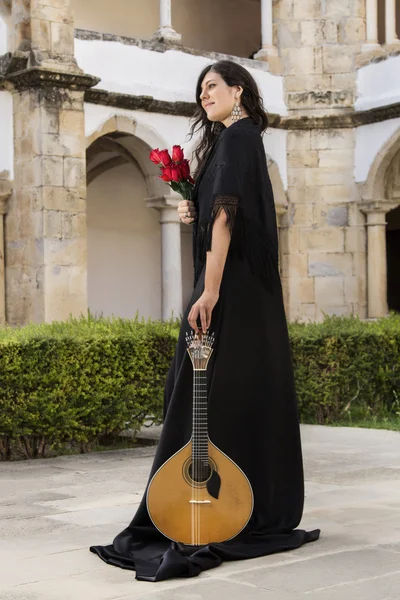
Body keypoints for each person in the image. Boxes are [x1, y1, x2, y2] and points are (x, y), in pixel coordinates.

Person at [90, 59, 320, 582]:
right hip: (232, 287)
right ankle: (226, 502)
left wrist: (211, 288)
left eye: (212, 86)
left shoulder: (239, 138)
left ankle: (220, 504)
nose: (204, 94)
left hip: (231, 288)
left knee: (216, 391)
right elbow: (217, 208)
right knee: (214, 392)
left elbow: (229, 215)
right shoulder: (228, 142)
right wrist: (194, 206)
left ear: (238, 90)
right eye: (200, 89)